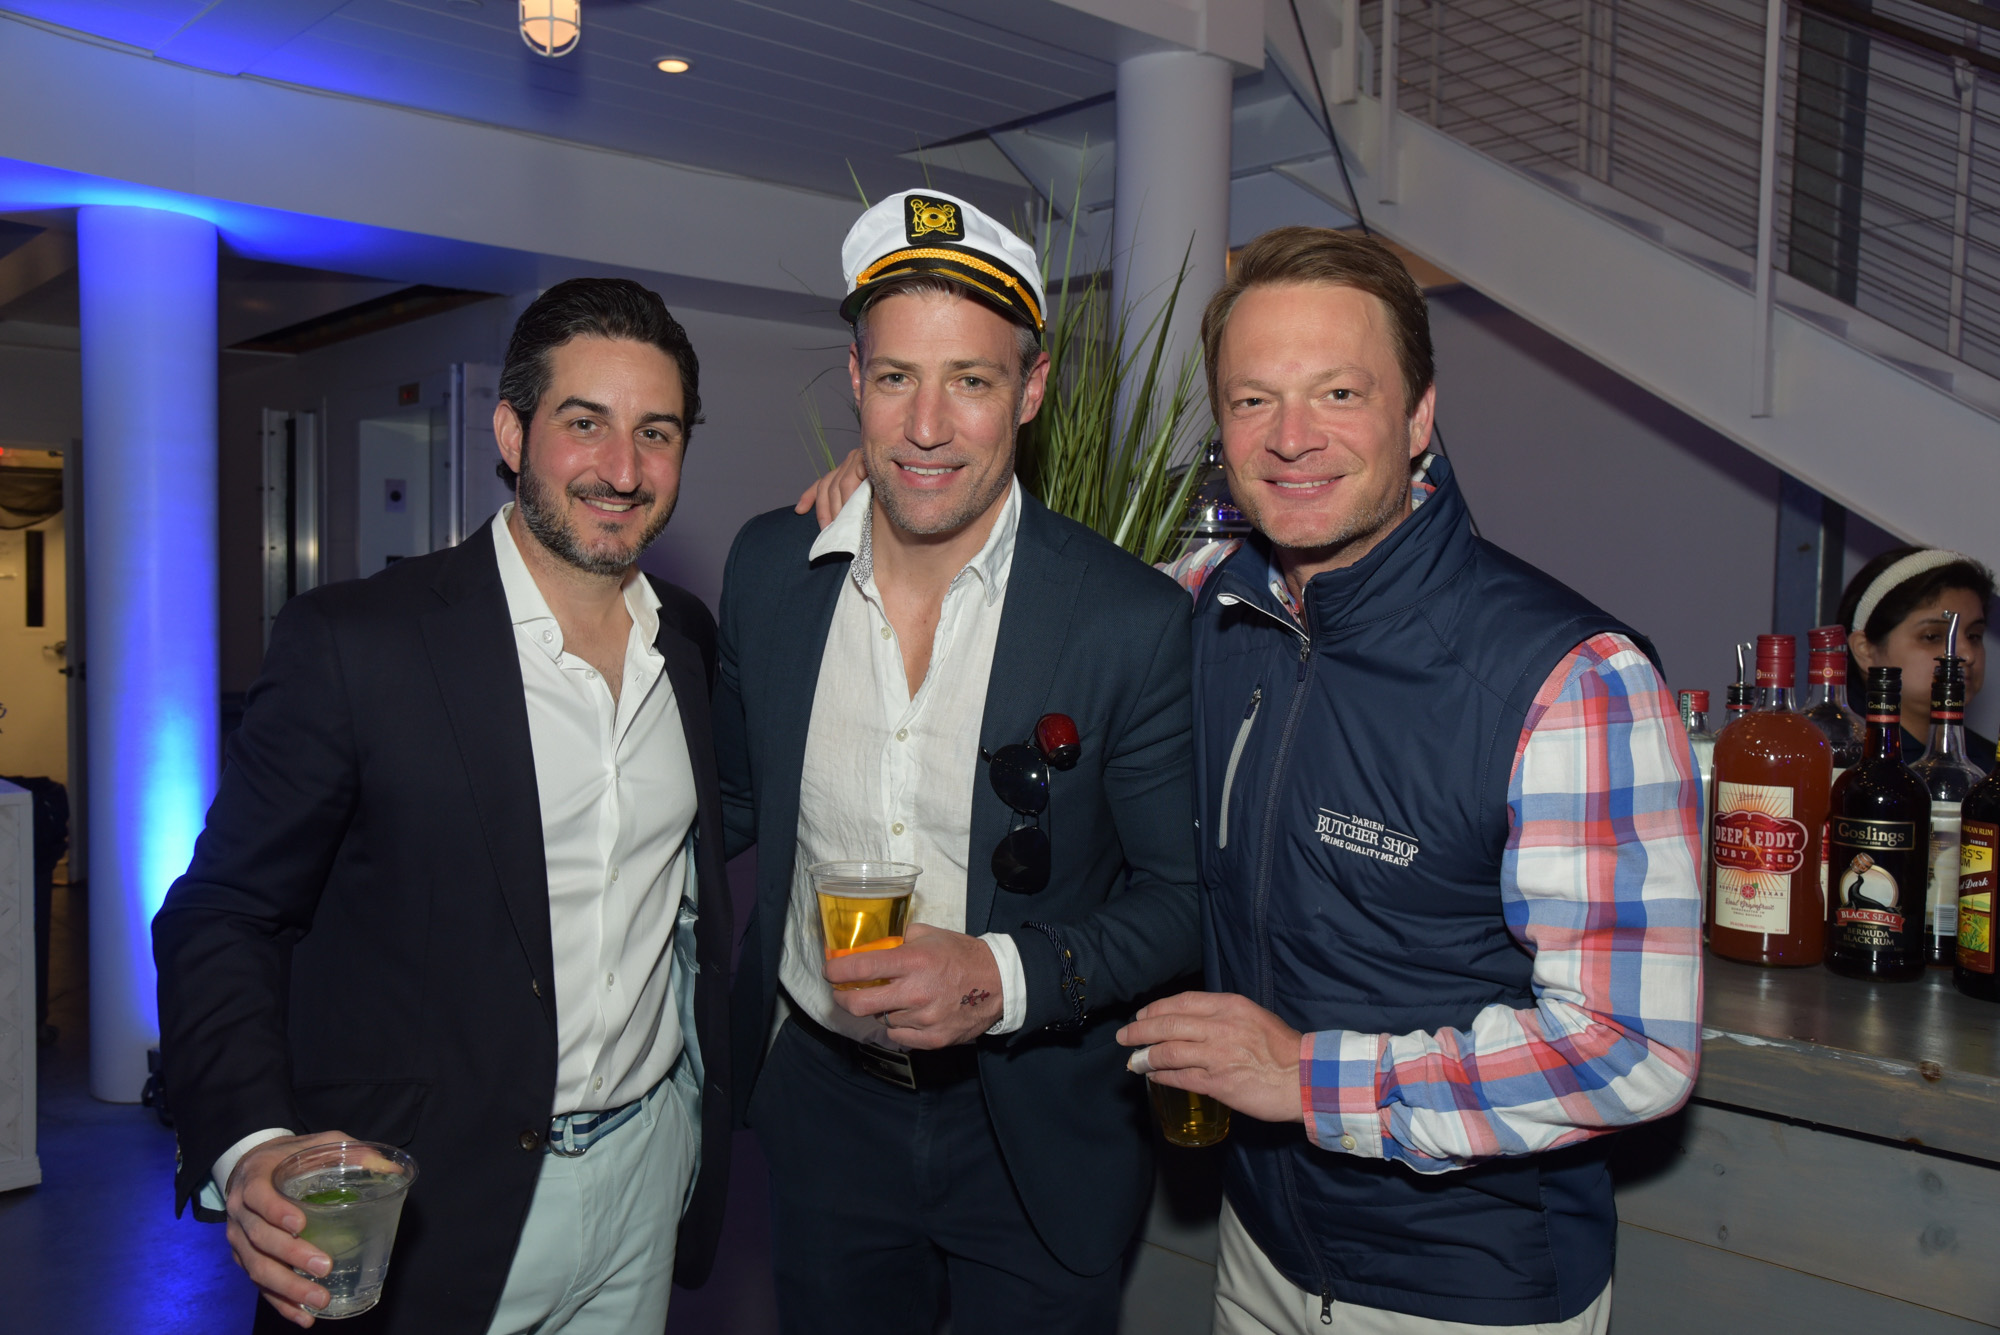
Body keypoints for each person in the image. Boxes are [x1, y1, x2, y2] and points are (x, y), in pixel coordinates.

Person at [1117, 227, 1704, 1334]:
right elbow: (1054, 601)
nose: (1291, 437)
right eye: (1252, 400)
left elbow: (1632, 1048)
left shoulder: (1569, 679)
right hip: (1259, 1251)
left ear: (1420, 415)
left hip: (1461, 1291)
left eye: (1338, 392)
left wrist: (1309, 1079)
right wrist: (886, 509)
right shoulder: (1210, 607)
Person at [153, 279, 733, 1333]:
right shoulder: (356, 644)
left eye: (656, 432)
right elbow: (224, 913)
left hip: (648, 1175)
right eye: (584, 423)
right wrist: (251, 1145)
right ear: (511, 433)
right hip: (429, 1202)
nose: (622, 469)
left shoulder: (689, 641)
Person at [716, 188, 1199, 1335]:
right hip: (822, 1109)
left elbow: (1183, 903)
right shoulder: (770, 571)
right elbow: (723, 803)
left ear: (1029, 391)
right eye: (896, 378)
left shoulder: (1126, 621)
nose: (926, 427)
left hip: (1032, 1128)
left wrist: (999, 976)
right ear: (855, 380)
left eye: (970, 381)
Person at [1837, 547, 1995, 769]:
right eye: (1932, 636)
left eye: (1974, 636)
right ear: (1865, 650)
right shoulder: (1834, 759)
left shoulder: (1989, 768)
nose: (1966, 655)